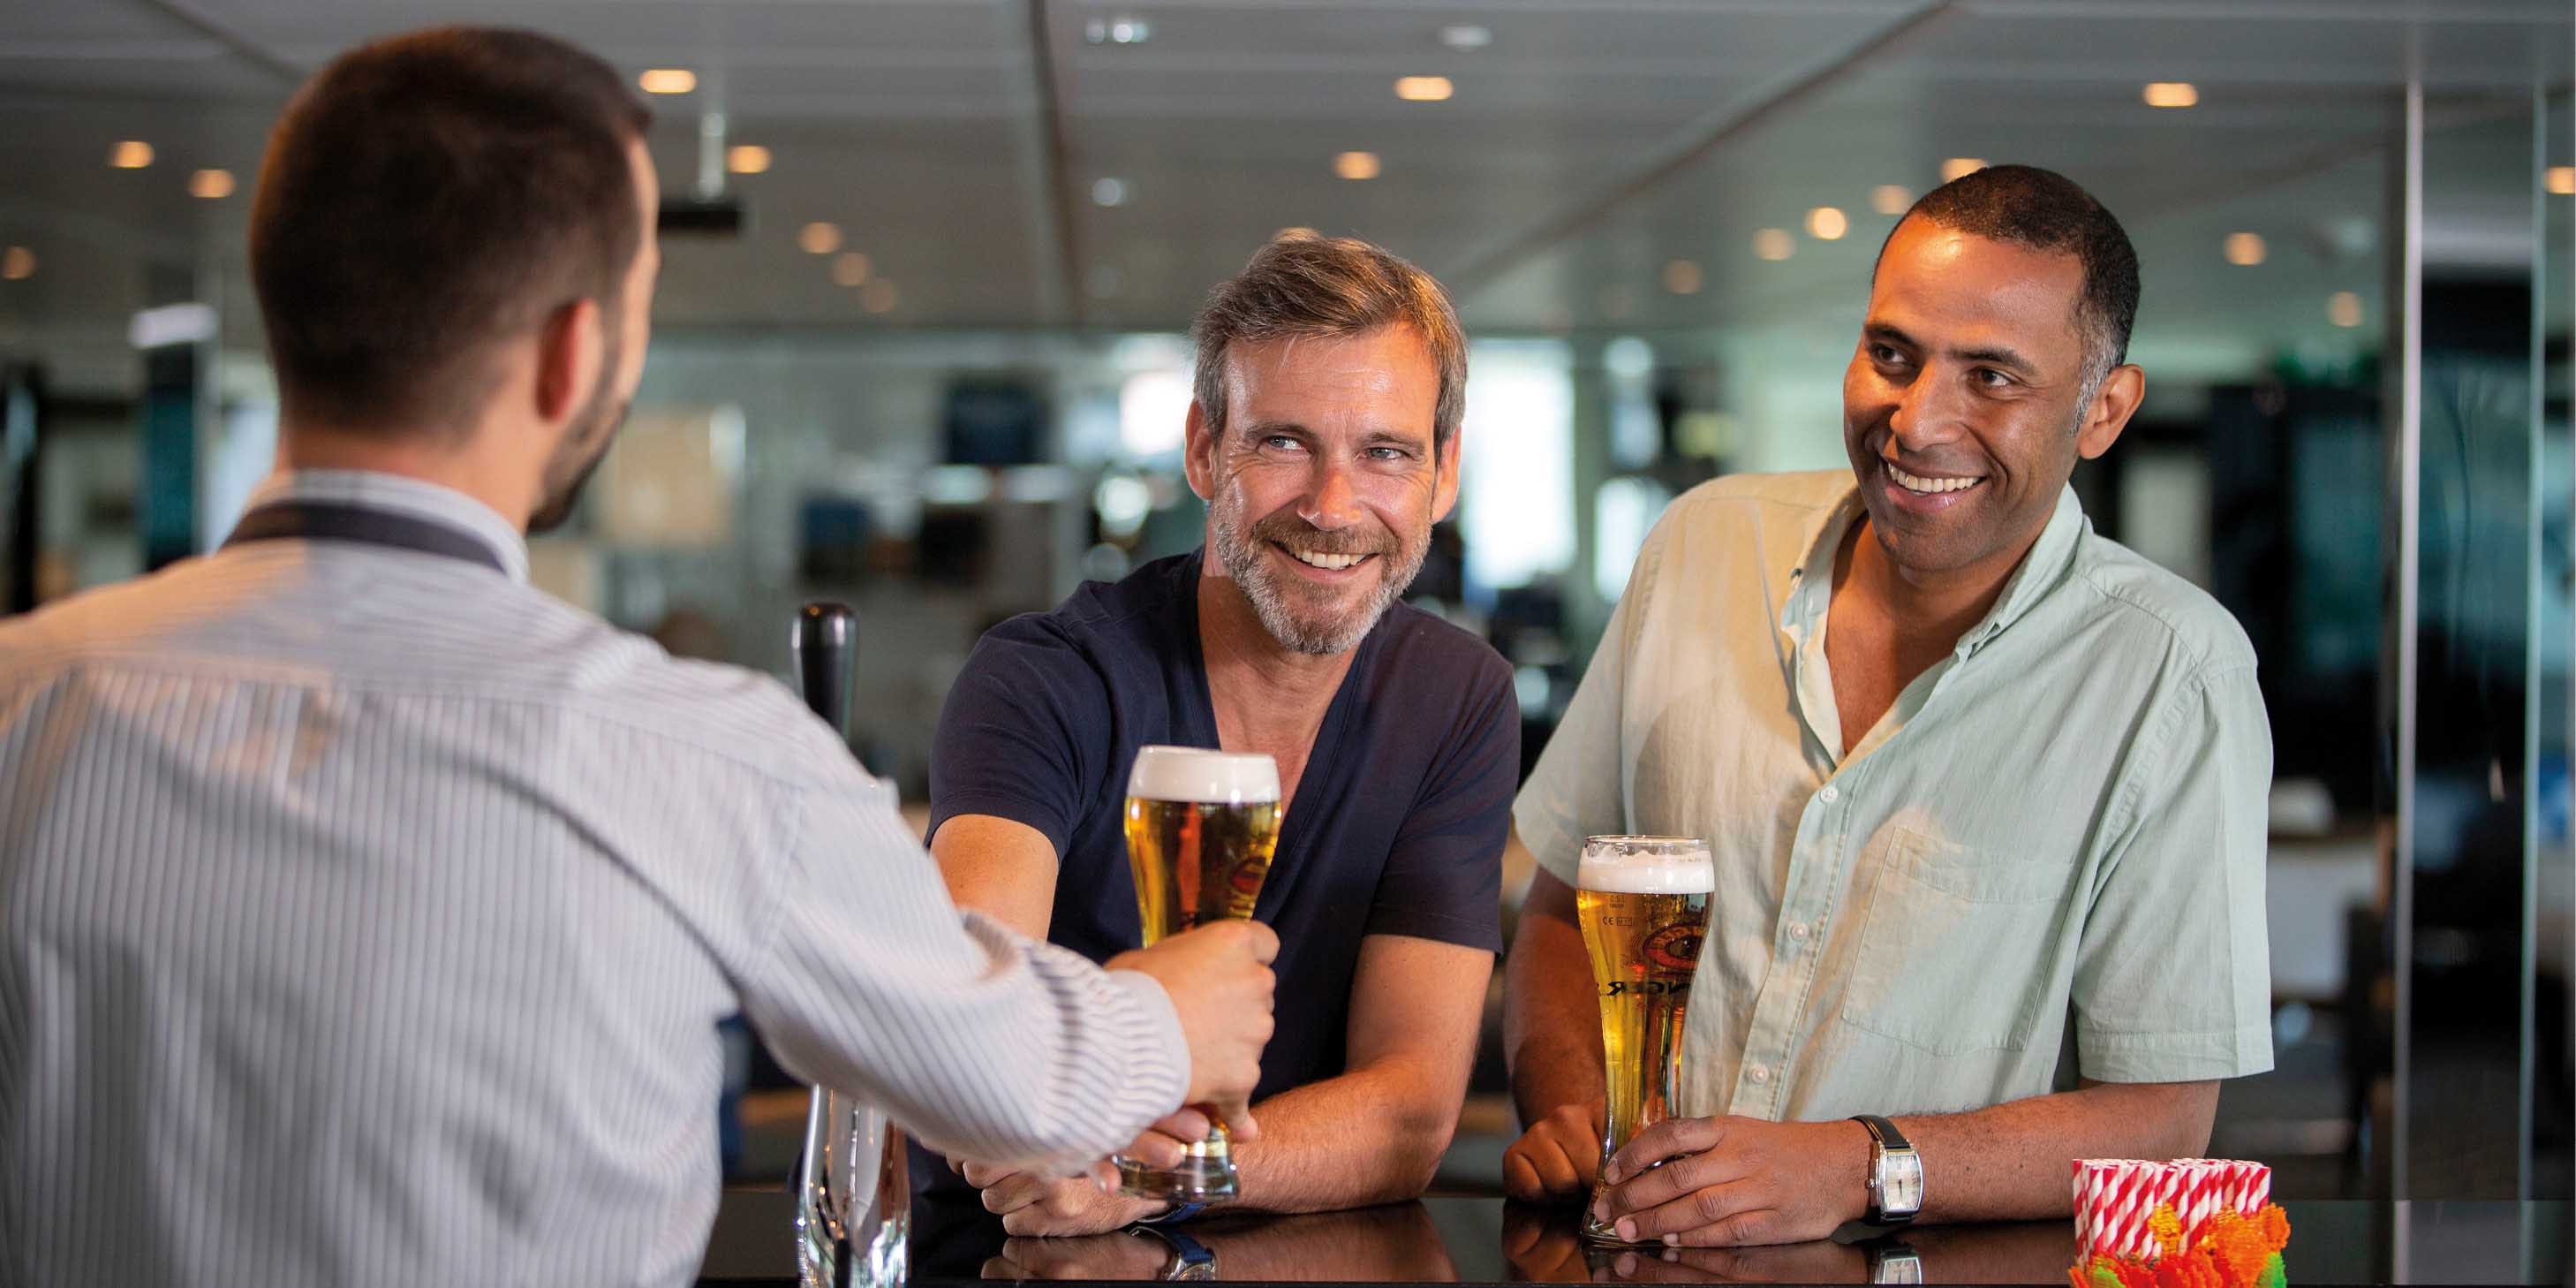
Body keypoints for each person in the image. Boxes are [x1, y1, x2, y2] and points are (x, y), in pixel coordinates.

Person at [0, 28, 1273, 1287]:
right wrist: (1181, 1010)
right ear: (572, 353)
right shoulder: (699, 754)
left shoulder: (23, 694)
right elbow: (1008, 1084)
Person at [1502, 165, 2274, 1246]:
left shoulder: (2172, 674)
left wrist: (1860, 1168)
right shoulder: (1700, 544)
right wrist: (1571, 1101)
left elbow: (2164, 1119)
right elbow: (1553, 911)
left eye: (1993, 377)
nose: (1916, 421)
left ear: (2103, 410)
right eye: (1891, 355)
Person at [923, 234, 1518, 1234]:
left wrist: (1140, 1176)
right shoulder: (1043, 679)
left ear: (1443, 473)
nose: (1333, 509)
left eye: (1385, 452)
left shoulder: (1454, 696)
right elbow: (963, 1034)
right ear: (1204, 449)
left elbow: (1409, 1114)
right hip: (1009, 1255)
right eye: (1283, 442)